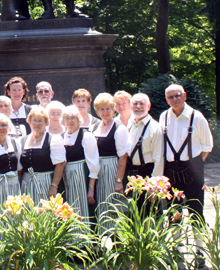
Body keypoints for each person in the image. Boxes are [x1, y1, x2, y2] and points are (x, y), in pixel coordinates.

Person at [159, 84, 213, 267]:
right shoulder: (163, 116)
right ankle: (177, 251)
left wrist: (193, 165)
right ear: (166, 99)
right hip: (170, 172)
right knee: (174, 215)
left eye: (177, 95)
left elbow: (207, 146)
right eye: (170, 97)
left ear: (184, 96)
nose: (174, 99)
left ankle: (200, 253)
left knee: (196, 214)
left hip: (192, 172)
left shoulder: (196, 117)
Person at [91, 93, 130, 234]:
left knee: (112, 206)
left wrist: (118, 181)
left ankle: (116, 240)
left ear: (113, 109)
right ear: (97, 111)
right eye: (102, 109)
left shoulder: (119, 128)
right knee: (101, 204)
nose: (105, 112)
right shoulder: (95, 127)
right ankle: (103, 239)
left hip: (112, 169)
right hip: (98, 171)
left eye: (108, 109)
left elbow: (123, 157)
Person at [19, 106, 66, 204]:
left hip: (46, 184)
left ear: (46, 123)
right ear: (29, 122)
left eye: (40, 121)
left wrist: (54, 186)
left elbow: (60, 164)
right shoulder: (22, 141)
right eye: (34, 120)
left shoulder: (53, 139)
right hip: (26, 184)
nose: (37, 123)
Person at [61, 105, 99, 225]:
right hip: (67, 180)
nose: (70, 121)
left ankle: (85, 240)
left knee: (83, 208)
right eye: (67, 118)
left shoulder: (86, 136)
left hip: (82, 178)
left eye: (73, 118)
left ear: (78, 119)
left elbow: (94, 163)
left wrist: (91, 189)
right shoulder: (63, 137)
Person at [127, 94, 164, 179]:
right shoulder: (130, 124)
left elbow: (159, 160)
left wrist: (154, 185)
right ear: (130, 106)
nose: (138, 106)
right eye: (135, 103)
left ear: (149, 106)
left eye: (142, 103)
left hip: (147, 174)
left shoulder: (155, 128)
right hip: (130, 174)